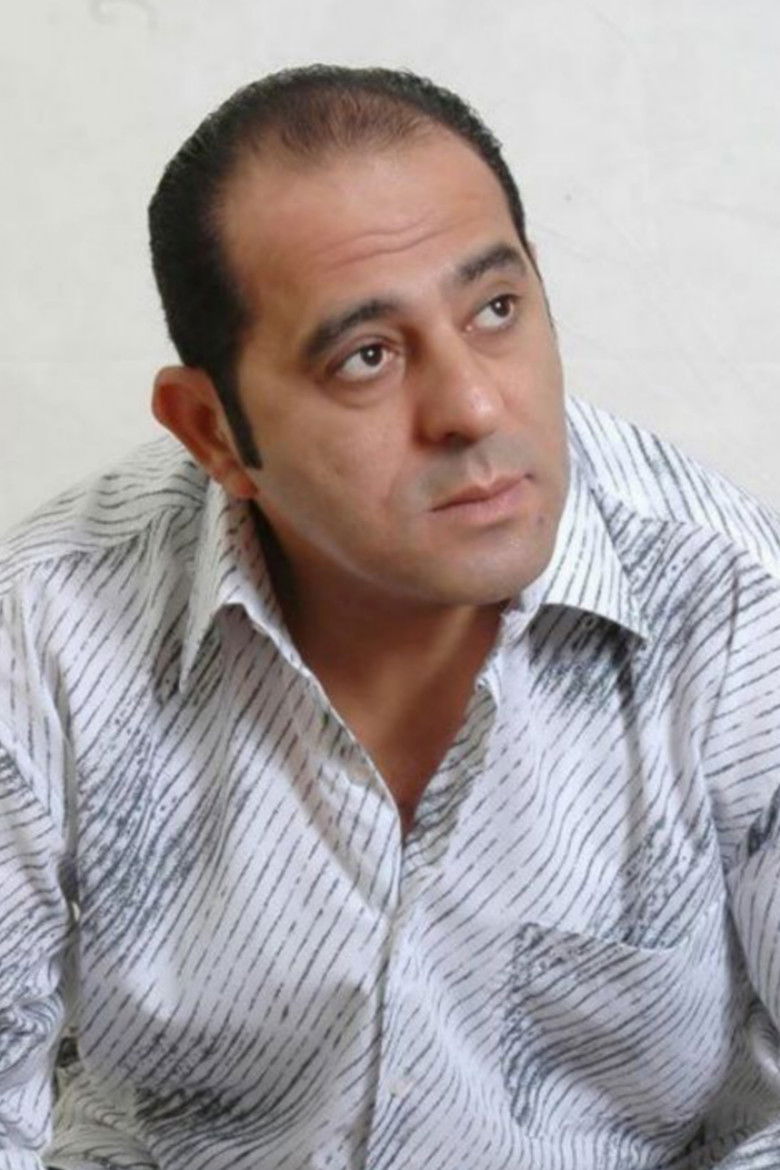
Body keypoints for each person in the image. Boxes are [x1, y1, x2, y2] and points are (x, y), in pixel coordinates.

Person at [1, 63, 779, 1170]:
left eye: (496, 310)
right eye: (367, 357)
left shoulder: (734, 597)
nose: (474, 405)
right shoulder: (48, 624)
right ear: (212, 432)